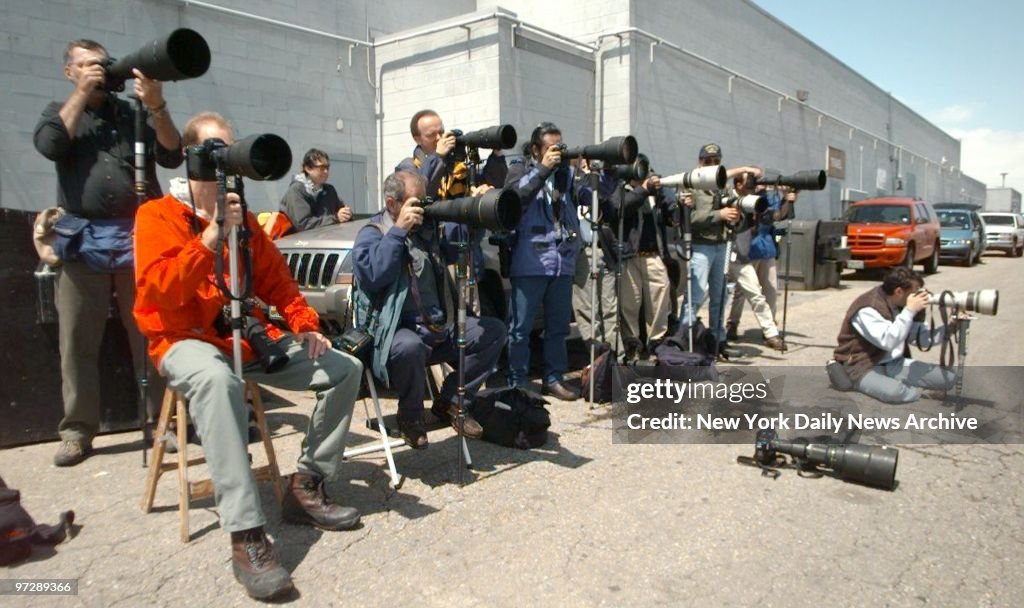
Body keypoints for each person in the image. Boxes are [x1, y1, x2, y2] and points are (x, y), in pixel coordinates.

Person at [133, 112, 364, 600]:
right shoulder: (156, 215)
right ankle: (246, 534)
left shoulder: (245, 219)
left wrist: (305, 325)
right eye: (218, 149)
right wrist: (211, 236)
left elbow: (279, 282)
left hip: (243, 337)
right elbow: (161, 293)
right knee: (220, 382)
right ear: (193, 157)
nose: (230, 159)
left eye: (232, 148)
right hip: (182, 338)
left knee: (345, 369)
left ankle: (306, 486)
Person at [33, 38, 183, 467]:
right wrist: (82, 94)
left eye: (101, 64)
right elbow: (50, 145)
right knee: (77, 340)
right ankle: (77, 430)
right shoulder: (60, 112)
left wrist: (156, 105)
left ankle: (165, 423)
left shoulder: (132, 113)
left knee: (151, 336)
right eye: (86, 65)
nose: (97, 71)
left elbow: (172, 155)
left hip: (139, 238)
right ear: (69, 72)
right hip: (83, 241)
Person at [351, 171, 506, 449]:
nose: (423, 208)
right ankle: (410, 417)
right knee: (409, 347)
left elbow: (458, 246)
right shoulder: (374, 233)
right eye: (416, 202)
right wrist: (398, 231)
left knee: (493, 332)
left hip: (439, 329)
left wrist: (476, 210)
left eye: (425, 201)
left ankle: (452, 402)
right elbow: (373, 276)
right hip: (398, 335)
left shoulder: (427, 231)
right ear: (392, 203)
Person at [504, 122, 593, 400]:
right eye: (551, 148)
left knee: (558, 327)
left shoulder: (566, 174)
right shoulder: (519, 169)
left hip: (561, 261)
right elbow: (516, 197)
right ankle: (517, 382)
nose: (558, 153)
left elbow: (588, 199)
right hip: (530, 260)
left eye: (560, 146)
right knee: (520, 329)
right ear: (536, 149)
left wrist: (585, 174)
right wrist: (543, 168)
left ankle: (553, 378)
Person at [679, 143, 762, 350]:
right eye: (708, 161)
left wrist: (735, 216)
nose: (712, 164)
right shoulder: (690, 183)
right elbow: (689, 218)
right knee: (695, 297)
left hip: (721, 244)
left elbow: (734, 214)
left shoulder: (722, 186)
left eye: (716, 161)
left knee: (720, 296)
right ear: (700, 162)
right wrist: (720, 214)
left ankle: (718, 339)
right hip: (701, 246)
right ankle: (685, 340)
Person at [832, 267, 956, 404]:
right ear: (898, 291)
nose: (917, 296)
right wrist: (910, 311)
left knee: (948, 378)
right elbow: (888, 341)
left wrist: (952, 327)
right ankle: (915, 392)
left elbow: (922, 340)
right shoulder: (868, 307)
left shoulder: (901, 304)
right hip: (861, 365)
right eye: (914, 292)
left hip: (893, 363)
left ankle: (899, 384)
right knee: (894, 392)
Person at [605, 159, 674, 358]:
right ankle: (632, 344)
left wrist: (671, 199)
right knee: (629, 304)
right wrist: (643, 190)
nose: (647, 173)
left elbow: (671, 217)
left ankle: (656, 343)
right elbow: (619, 209)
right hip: (630, 256)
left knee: (660, 302)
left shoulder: (656, 193)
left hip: (654, 255)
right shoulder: (621, 189)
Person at [721, 173, 786, 352]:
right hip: (721, 253)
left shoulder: (754, 201)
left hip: (741, 257)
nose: (752, 186)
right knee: (712, 296)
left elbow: (774, 216)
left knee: (756, 294)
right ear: (737, 184)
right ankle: (714, 332)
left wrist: (786, 198)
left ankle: (771, 333)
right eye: (748, 183)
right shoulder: (726, 196)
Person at [727, 185, 796, 339]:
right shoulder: (743, 198)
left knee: (770, 290)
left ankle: (770, 327)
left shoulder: (768, 197)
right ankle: (732, 323)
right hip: (747, 249)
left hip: (766, 248)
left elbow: (777, 215)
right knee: (741, 291)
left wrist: (787, 199)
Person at [397, 109, 507, 199]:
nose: (439, 138)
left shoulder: (455, 165)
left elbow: (494, 182)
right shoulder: (407, 167)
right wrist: (437, 156)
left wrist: (497, 153)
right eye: (431, 135)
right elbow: (420, 193)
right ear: (417, 139)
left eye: (441, 132)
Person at [278, 148, 352, 232]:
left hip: (328, 238)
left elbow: (341, 211)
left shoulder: (329, 190)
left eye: (327, 167)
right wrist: (336, 218)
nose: (326, 171)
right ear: (308, 168)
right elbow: (303, 224)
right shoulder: (296, 190)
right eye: (322, 168)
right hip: (303, 240)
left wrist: (346, 213)